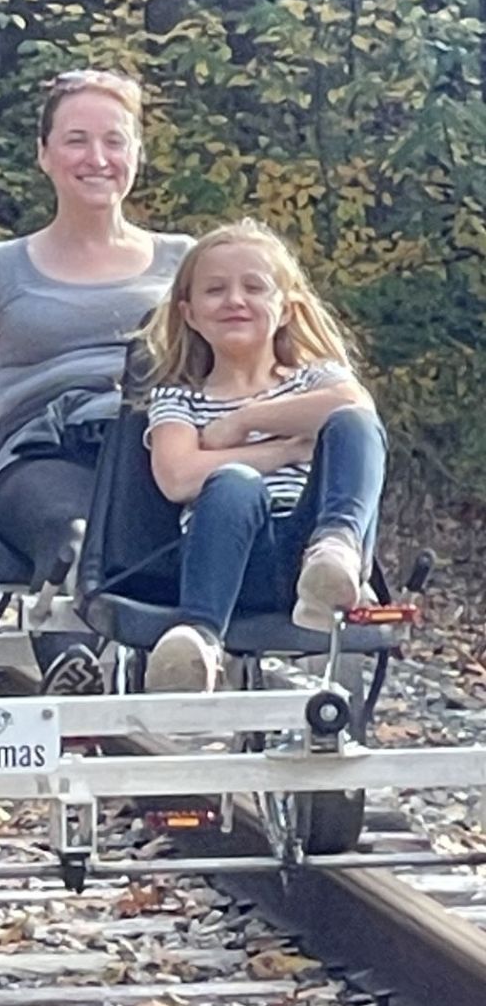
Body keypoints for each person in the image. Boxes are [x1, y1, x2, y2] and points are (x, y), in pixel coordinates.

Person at [0, 68, 193, 695]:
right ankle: (72, 667)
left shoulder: (188, 261)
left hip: (165, 449)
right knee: (73, 536)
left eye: (115, 140)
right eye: (76, 140)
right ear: (44, 155)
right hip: (43, 458)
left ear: (137, 153)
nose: (96, 158)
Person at [143, 219, 386, 693]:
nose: (235, 300)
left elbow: (355, 407)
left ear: (285, 308)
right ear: (189, 314)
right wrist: (288, 449)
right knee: (233, 481)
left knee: (356, 425)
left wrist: (242, 421)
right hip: (232, 561)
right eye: (216, 290)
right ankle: (200, 639)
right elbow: (177, 477)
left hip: (309, 555)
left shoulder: (316, 379)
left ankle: (336, 549)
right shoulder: (179, 398)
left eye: (254, 287)